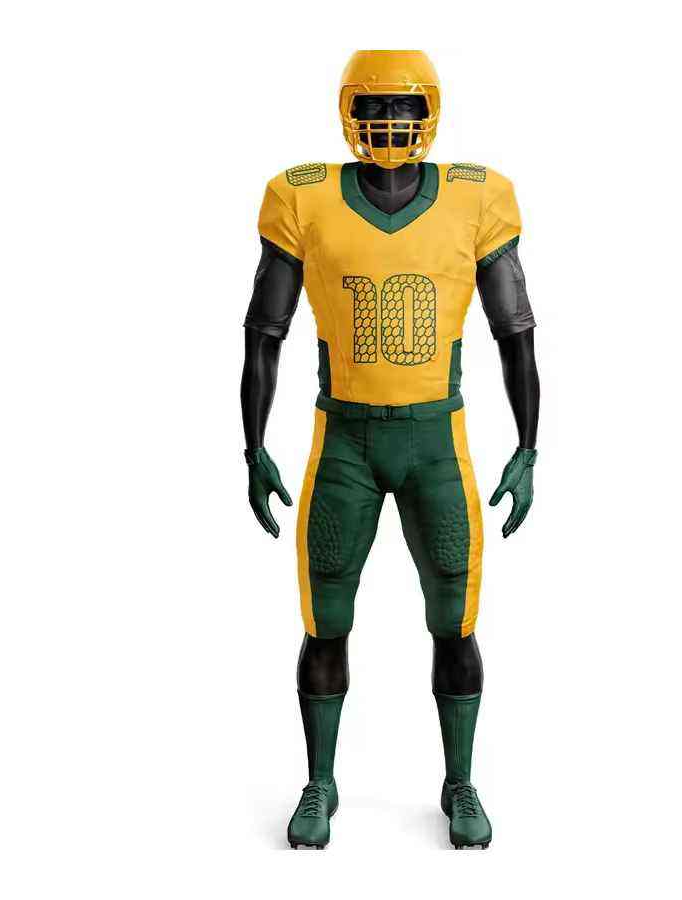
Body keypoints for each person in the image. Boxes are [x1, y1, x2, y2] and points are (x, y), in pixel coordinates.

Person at [240, 50, 540, 849]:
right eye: (375, 107)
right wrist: (252, 446)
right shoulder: (301, 197)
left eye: (404, 109)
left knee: (456, 619)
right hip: (343, 437)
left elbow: (515, 330)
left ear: (430, 111)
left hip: (436, 439)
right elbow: (264, 331)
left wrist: (529, 446)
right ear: (348, 110)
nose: (391, 124)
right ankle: (320, 780)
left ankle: (460, 780)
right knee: (325, 619)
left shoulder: (478, 197)